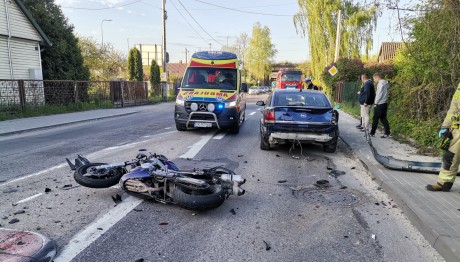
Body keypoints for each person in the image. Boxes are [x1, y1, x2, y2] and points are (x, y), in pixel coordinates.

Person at [426, 82, 460, 192]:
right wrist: (445, 126)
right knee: (450, 157)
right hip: (457, 130)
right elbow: (453, 108)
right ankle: (444, 183)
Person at [370, 73, 391, 138]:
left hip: (379, 104)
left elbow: (379, 94)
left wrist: (375, 103)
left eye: (374, 79)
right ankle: (387, 133)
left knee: (375, 118)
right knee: (383, 118)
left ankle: (372, 133)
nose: (374, 80)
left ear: (377, 77)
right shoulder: (386, 83)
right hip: (385, 103)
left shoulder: (380, 84)